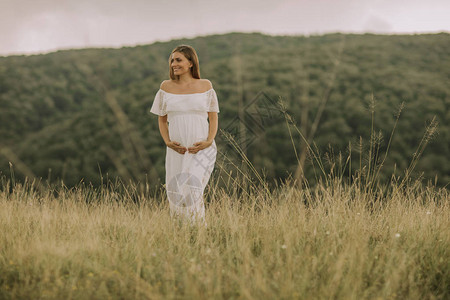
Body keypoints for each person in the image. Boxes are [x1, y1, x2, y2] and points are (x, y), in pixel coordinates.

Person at [150, 45, 219, 226]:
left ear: (190, 62)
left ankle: (198, 231)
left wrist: (209, 141)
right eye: (172, 60)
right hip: (177, 149)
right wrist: (168, 142)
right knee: (177, 192)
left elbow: (213, 117)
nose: (174, 64)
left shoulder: (206, 85)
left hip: (201, 147)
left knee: (193, 188)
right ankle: (182, 232)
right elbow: (162, 120)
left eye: (178, 60)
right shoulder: (166, 87)